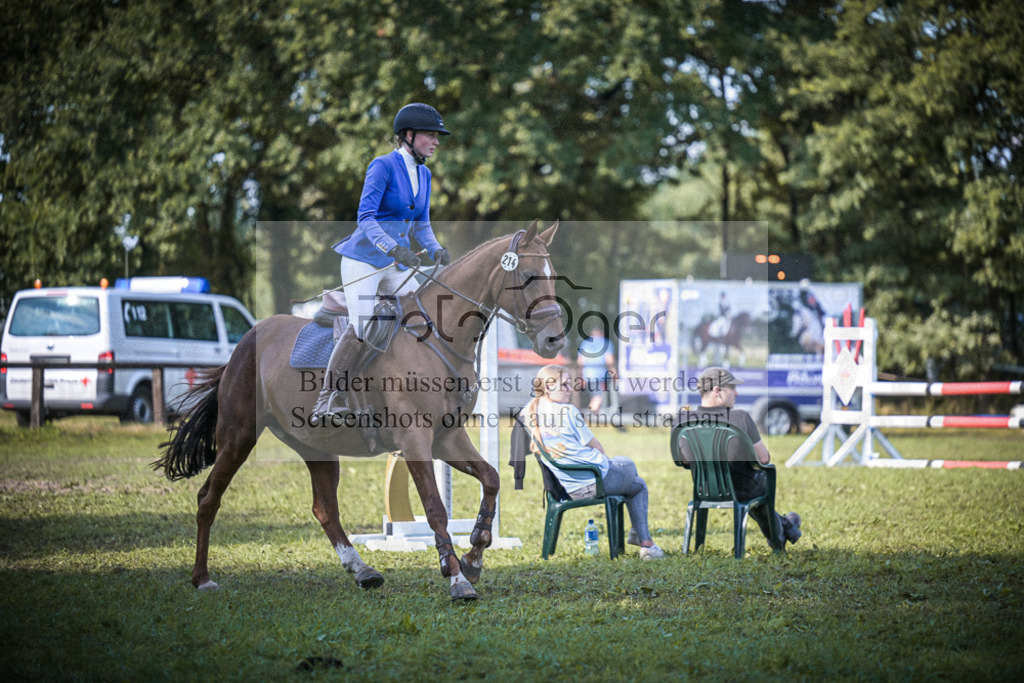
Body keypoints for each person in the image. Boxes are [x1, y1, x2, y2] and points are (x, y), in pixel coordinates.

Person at [313, 103, 452, 418]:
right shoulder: (383, 166)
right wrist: (392, 247)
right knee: (364, 326)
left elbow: (422, 225)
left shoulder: (425, 174)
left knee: (423, 316)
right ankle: (328, 397)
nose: (436, 141)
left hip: (395, 266)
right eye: (430, 135)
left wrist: (435, 249)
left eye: (436, 136)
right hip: (363, 259)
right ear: (408, 135)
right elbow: (365, 217)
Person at [523, 364, 665, 560]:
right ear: (548, 387)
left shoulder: (530, 411)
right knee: (630, 468)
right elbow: (596, 445)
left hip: (569, 486)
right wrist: (605, 461)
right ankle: (644, 542)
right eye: (564, 385)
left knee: (636, 484)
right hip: (593, 481)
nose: (569, 389)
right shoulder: (568, 411)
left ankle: (644, 541)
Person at [675, 367, 802, 550]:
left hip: (704, 489)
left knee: (753, 487)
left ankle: (785, 526)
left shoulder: (682, 420)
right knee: (762, 481)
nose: (737, 392)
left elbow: (684, 461)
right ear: (717, 390)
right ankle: (783, 528)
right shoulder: (741, 418)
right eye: (732, 388)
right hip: (744, 489)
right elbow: (764, 459)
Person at [576, 325, 616, 414]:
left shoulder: (584, 343)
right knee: (598, 396)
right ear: (602, 333)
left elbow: (580, 361)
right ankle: (591, 413)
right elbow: (609, 360)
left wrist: (580, 376)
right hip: (601, 375)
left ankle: (592, 413)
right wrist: (614, 374)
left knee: (595, 395)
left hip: (587, 374)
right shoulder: (606, 343)